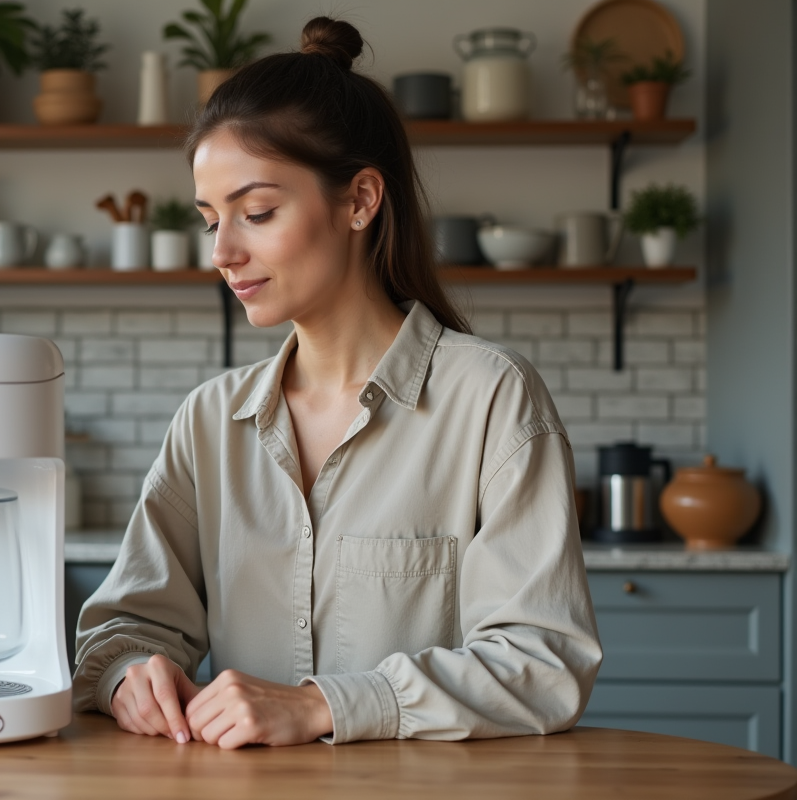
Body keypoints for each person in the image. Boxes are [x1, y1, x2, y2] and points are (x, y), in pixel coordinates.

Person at [72, 17, 602, 750]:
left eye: (256, 213)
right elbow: (125, 626)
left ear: (359, 200)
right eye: (209, 220)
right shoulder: (208, 421)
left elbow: (545, 665)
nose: (223, 252)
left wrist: (326, 705)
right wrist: (131, 673)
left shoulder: (492, 399)